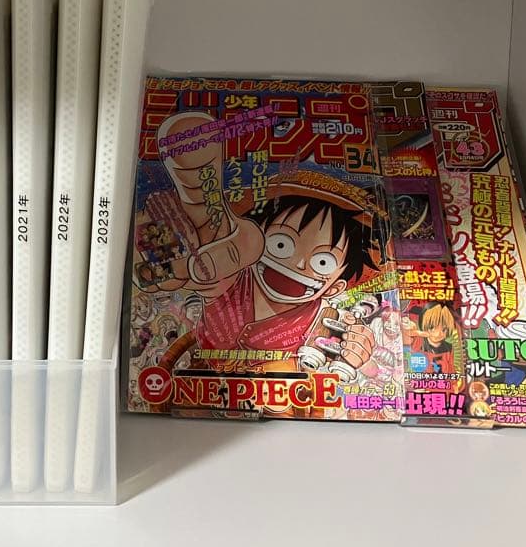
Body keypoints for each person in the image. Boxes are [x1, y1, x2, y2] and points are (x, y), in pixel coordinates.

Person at [155, 110, 381, 371]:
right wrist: (198, 206)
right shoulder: (234, 279)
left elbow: (364, 369)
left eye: (322, 262)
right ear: (255, 241)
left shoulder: (326, 321)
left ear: (335, 287)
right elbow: (206, 255)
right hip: (192, 377)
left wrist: (359, 355)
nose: (298, 264)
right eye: (281, 244)